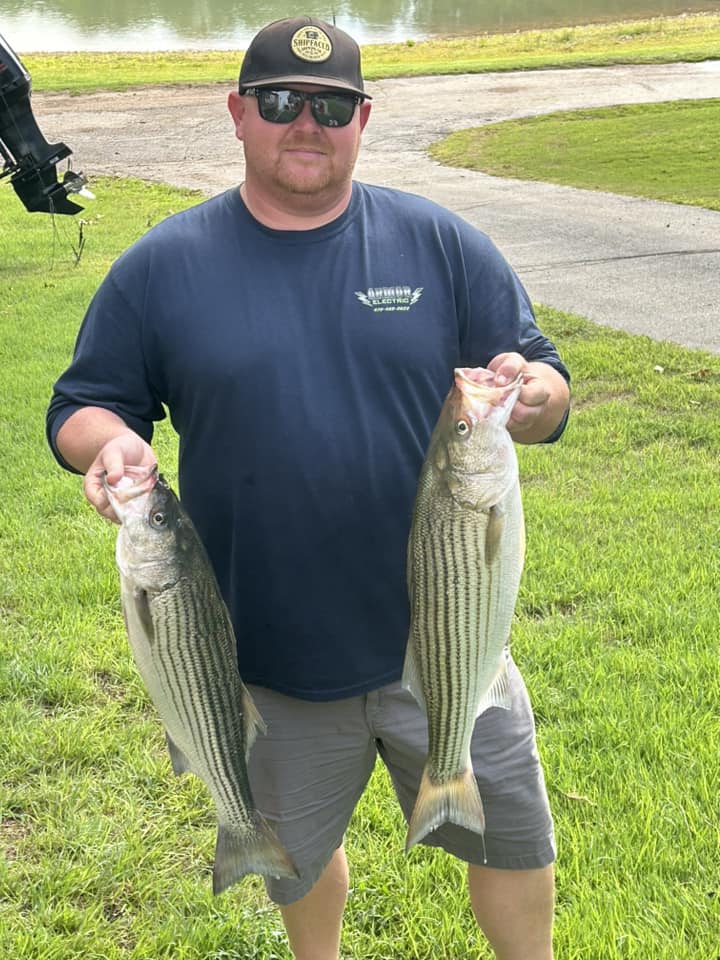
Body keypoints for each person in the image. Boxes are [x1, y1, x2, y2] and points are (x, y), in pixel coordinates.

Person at [46, 16, 570, 960]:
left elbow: (540, 372)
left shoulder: (438, 244)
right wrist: (113, 443)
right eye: (283, 102)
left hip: (446, 638)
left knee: (514, 835)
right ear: (240, 113)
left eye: (332, 106)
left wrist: (530, 398)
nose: (307, 124)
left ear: (363, 118)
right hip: (268, 652)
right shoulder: (165, 266)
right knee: (294, 850)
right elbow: (84, 405)